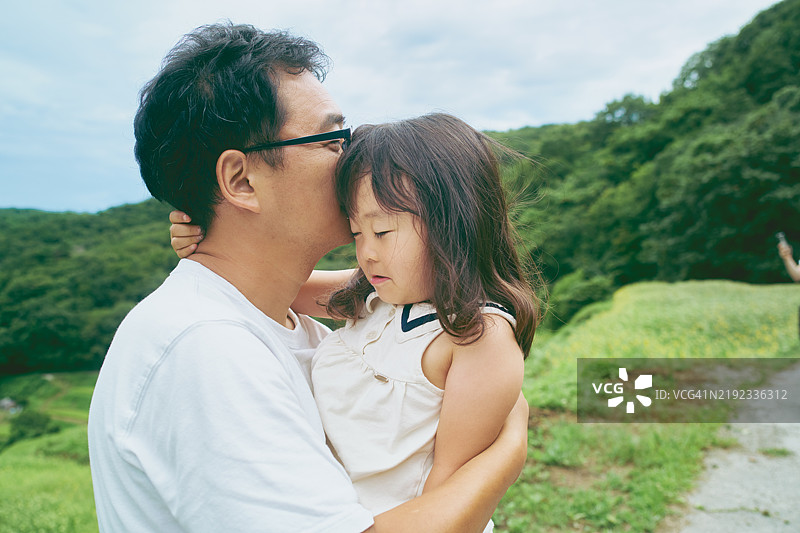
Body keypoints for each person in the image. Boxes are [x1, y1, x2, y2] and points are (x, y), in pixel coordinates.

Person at [88, 22, 529, 533]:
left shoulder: (285, 321)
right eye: (334, 139)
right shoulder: (206, 350)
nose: (354, 157)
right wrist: (505, 453)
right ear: (241, 181)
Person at [171, 113, 540, 532]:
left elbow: (451, 494)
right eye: (356, 232)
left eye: (381, 232)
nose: (367, 253)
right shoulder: (379, 294)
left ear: (455, 224)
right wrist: (210, 240)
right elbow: (275, 286)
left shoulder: (476, 336)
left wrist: (511, 449)